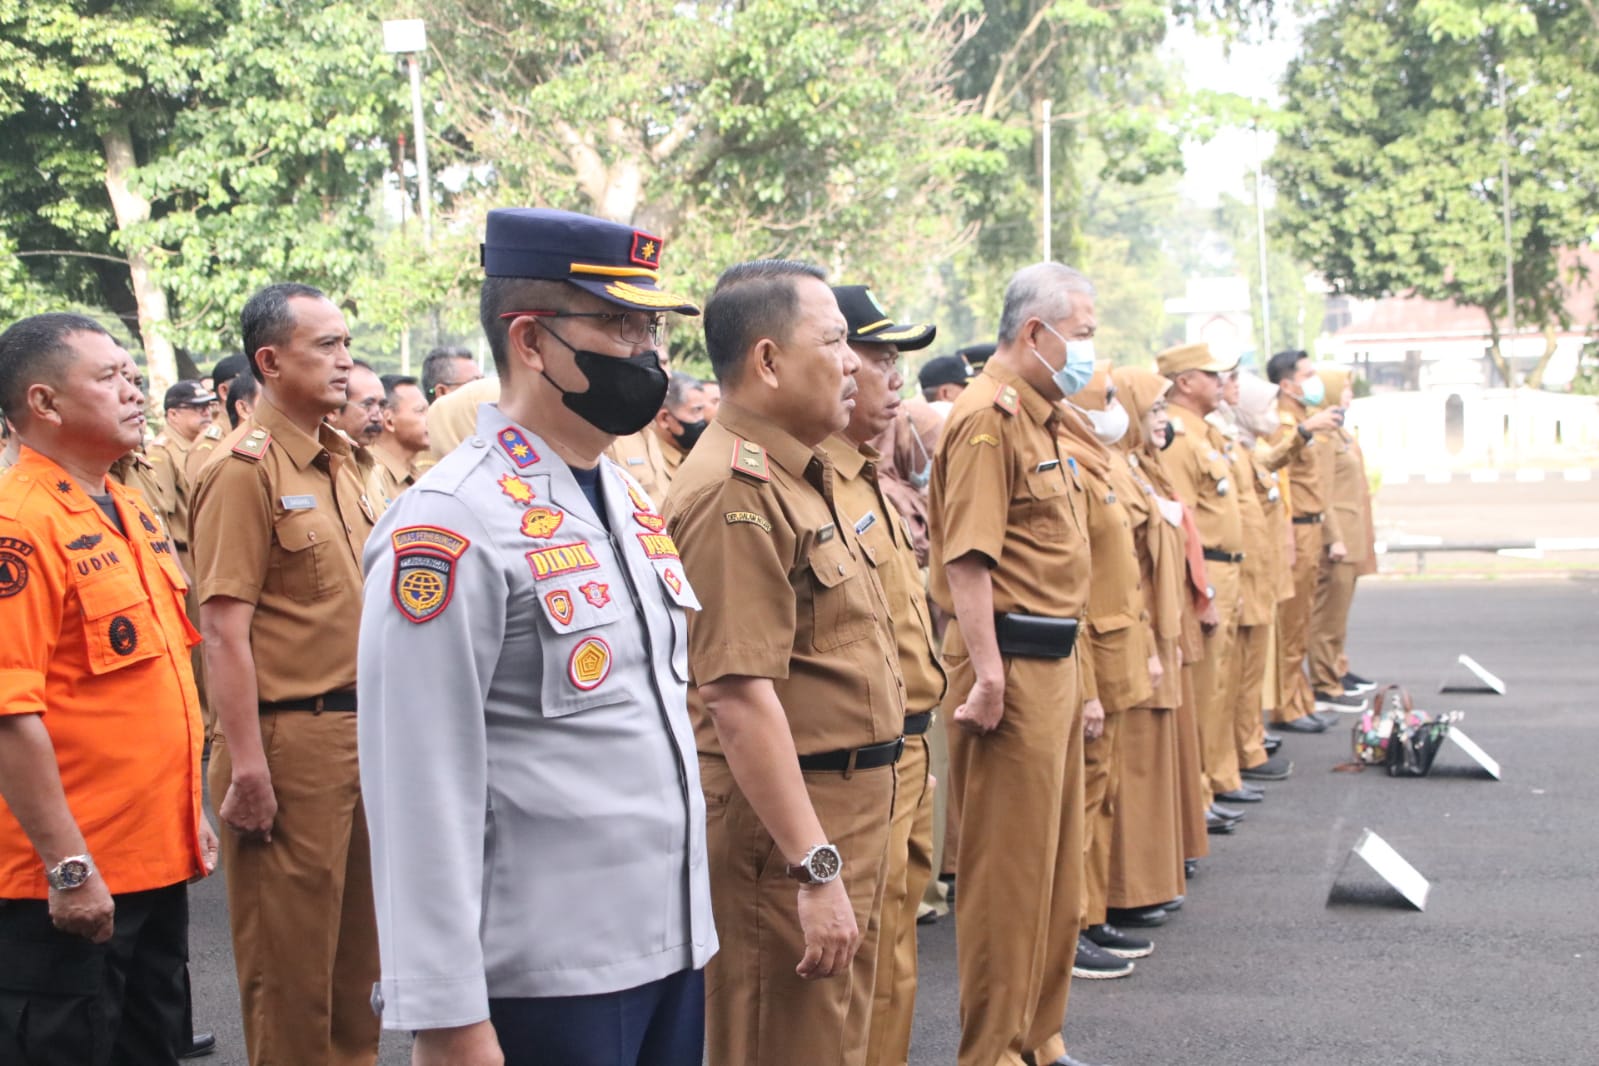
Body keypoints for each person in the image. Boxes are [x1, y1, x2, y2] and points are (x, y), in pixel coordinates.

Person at [359, 206, 715, 1066]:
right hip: (545, 971)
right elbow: (417, 779)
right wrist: (444, 1012)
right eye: (619, 325)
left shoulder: (621, 495)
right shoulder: (452, 520)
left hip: (668, 942)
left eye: (651, 328)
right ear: (531, 341)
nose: (646, 354)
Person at [663, 260, 901, 1066]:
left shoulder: (803, 472)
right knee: (784, 1043)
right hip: (792, 829)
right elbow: (735, 697)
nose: (851, 362)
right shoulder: (734, 490)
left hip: (847, 804)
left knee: (833, 1044)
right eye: (833, 341)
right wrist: (815, 869)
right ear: (766, 361)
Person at [0, 312, 216, 1065]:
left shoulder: (127, 507)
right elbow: (8, 714)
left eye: (133, 375)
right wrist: (68, 867)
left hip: (152, 861)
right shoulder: (18, 525)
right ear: (45, 403)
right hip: (70, 880)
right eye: (109, 378)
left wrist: (191, 815)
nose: (135, 392)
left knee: (149, 1046)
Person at [189, 282, 380, 1066]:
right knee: (292, 978)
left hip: (360, 735)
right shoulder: (244, 471)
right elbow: (223, 633)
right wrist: (247, 769)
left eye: (345, 343)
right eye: (325, 347)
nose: (345, 362)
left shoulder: (340, 462)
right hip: (288, 742)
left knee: (359, 975)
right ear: (269, 362)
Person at [928, 262, 1100, 1066]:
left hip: (1052, 663)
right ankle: (991, 1050)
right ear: (1037, 332)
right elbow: (968, 562)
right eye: (1084, 335)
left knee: (1058, 875)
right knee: (1006, 885)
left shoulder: (1042, 416)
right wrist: (989, 675)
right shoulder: (986, 419)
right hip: (1011, 669)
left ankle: (1039, 1035)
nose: (1088, 352)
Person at [818, 283, 943, 1066]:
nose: (893, 374)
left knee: (894, 966)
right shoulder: (799, 482)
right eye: (877, 355)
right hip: (846, 770)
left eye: (898, 358)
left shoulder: (865, 477)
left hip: (905, 752)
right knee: (845, 990)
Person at [1059, 367, 1159, 980]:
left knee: (1101, 798)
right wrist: (1088, 690)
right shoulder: (1073, 468)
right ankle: (1069, 927)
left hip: (1118, 649)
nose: (1119, 408)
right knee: (1081, 803)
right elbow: (1074, 591)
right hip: (1092, 657)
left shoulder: (1098, 465)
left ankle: (1092, 914)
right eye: (1109, 397)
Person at [1157, 342, 1268, 825]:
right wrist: (1200, 588)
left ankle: (1218, 778)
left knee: (1220, 686)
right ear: (1185, 382)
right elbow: (1184, 519)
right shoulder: (1180, 439)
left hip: (1231, 567)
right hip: (1210, 570)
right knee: (1204, 691)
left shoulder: (1207, 433)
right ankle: (1197, 796)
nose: (1223, 383)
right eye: (1212, 374)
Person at [1105, 366, 1195, 927]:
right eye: (1154, 409)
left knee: (1150, 763)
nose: (1161, 420)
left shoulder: (1136, 464)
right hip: (1132, 634)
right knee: (1131, 770)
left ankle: (1148, 878)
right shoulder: (1114, 467)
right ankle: (1125, 890)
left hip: (1156, 628)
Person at [1209, 371, 1295, 786]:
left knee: (1248, 672)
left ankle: (1248, 745)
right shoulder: (1221, 444)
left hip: (1256, 572)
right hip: (1238, 575)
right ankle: (1243, 754)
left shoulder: (1241, 447)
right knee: (1235, 677)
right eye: (1266, 406)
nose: (1273, 415)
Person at [1261, 350, 1349, 731]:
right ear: (1287, 384)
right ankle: (1287, 705)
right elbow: (1277, 474)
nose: (1315, 381)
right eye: (1308, 374)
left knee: (1301, 618)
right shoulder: (1286, 424)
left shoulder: (1303, 420)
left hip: (1311, 526)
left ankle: (1300, 697)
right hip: (1295, 527)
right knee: (1292, 621)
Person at [1307, 367, 1377, 703]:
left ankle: (1336, 668)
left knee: (1339, 616)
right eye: (1344, 388)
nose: (1349, 393)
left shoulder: (1339, 434)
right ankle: (1324, 681)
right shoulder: (1323, 439)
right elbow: (1322, 491)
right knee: (1326, 617)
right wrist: (1333, 536)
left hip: (1352, 533)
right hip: (1338, 538)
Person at [605, 370, 707, 501]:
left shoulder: (695, 453)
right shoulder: (621, 442)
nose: (702, 419)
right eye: (695, 411)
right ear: (664, 419)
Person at [367, 374, 428, 507]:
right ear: (389, 421)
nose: (429, 418)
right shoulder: (369, 475)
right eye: (420, 411)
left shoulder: (419, 475)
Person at [328, 359, 385, 445]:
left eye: (381, 405)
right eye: (367, 404)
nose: (378, 418)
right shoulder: (314, 456)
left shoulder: (365, 457)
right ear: (332, 411)